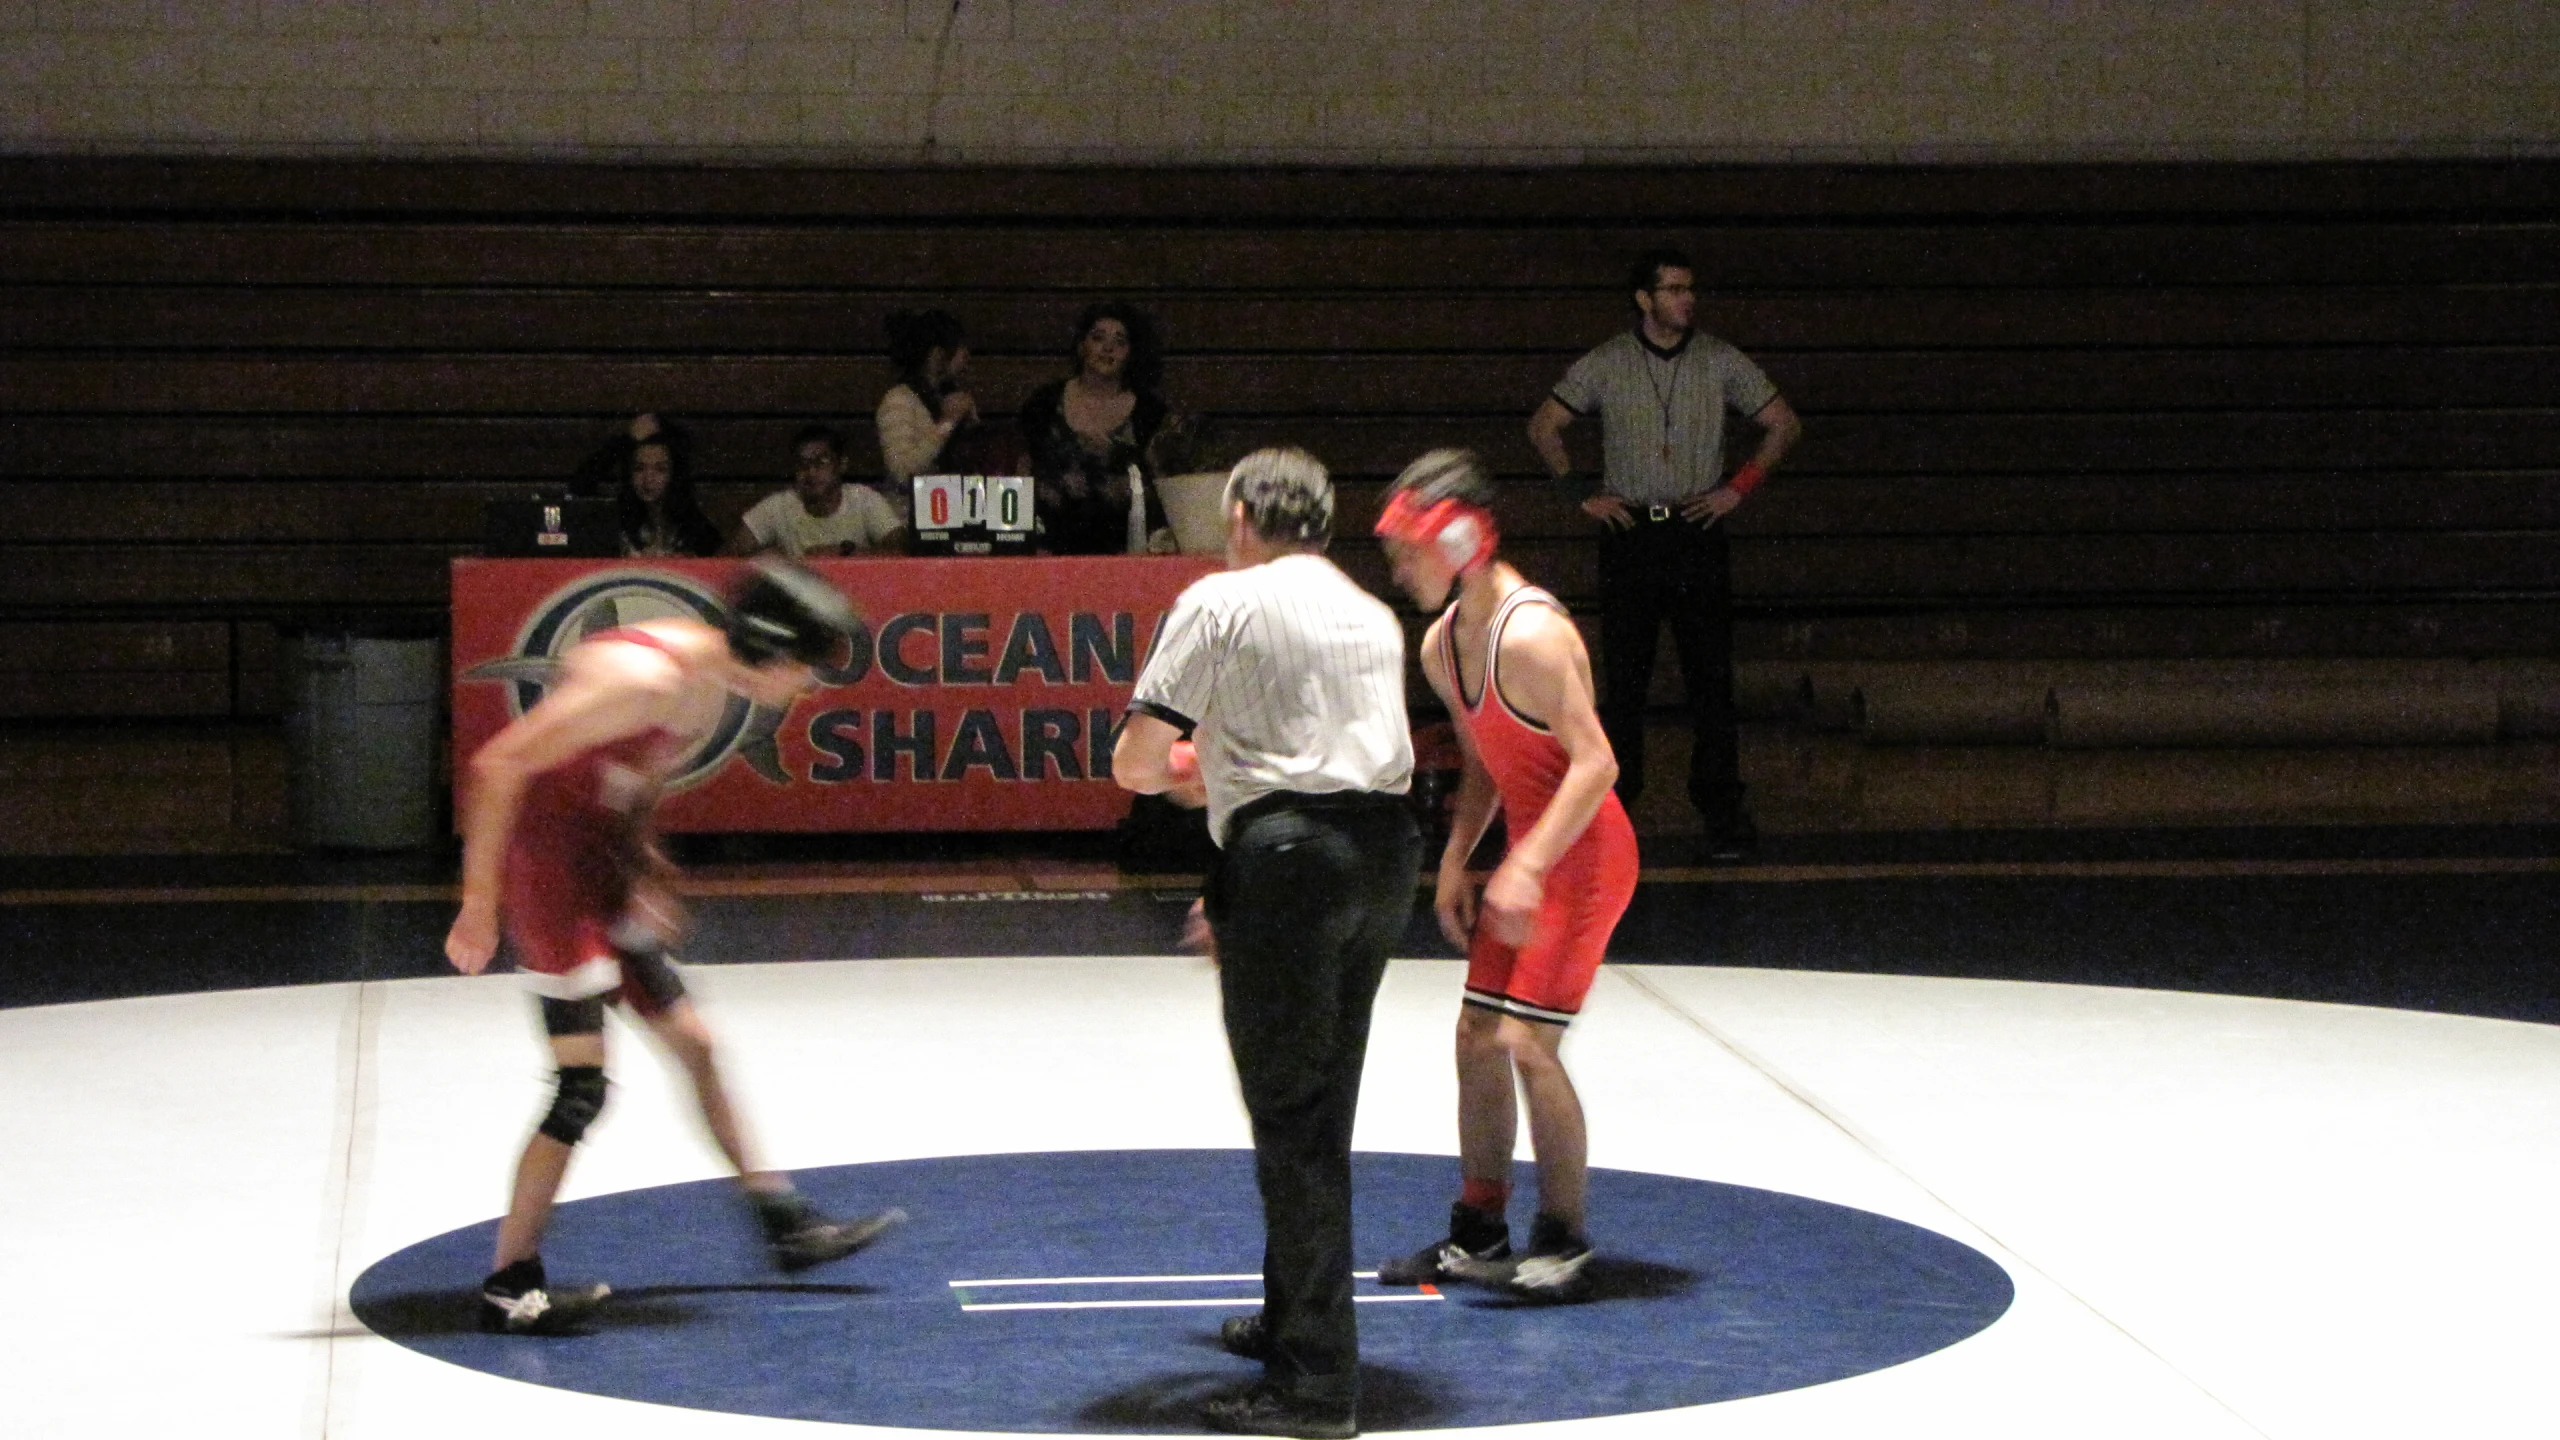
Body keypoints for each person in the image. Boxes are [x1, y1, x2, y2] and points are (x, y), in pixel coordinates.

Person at [442, 560, 903, 1335]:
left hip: (595, 861)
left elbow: (628, 781)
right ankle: (507, 1283)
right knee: (581, 1089)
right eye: (805, 672)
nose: (805, 692)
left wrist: (645, 865)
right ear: (768, 646)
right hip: (550, 871)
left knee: (696, 1043)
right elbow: (499, 766)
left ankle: (783, 1221)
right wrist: (479, 905)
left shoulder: (703, 682)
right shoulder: (645, 681)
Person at [1115, 447, 1418, 1439]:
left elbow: (1134, 759)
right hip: (1382, 854)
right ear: (1325, 525)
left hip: (1286, 859)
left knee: (1290, 1120)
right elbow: (1324, 747)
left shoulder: (1220, 602)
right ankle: (1295, 1316)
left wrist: (1194, 769)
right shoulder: (1370, 612)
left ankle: (1316, 1386)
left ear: (1239, 513)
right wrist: (1235, 769)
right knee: (1325, 1099)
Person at [1368, 449, 1638, 1305]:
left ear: (1460, 537)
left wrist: (1522, 863)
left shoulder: (1532, 633)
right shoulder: (1445, 645)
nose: (1396, 567)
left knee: (1527, 1041)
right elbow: (1487, 760)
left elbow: (1597, 763)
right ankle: (1478, 1230)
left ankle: (1564, 1235)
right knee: (1475, 1038)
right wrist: (1456, 858)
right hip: (1532, 857)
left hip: (1585, 857)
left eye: (1408, 548)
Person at [1527, 247, 1801, 859]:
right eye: (1674, 289)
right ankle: (1615, 811)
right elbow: (1544, 425)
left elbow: (1784, 423)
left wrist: (1737, 489)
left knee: (1712, 679)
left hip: (1696, 531)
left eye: (1690, 289)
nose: (1688, 299)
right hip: (1631, 533)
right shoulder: (1607, 362)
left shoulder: (1720, 359)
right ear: (1644, 300)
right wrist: (1581, 494)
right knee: (1625, 682)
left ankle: (1722, 808)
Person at [1017, 301, 1175, 555]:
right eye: (1098, 338)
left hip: (1127, 549)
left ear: (1131, 353)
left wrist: (1118, 457)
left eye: (1120, 341)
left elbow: (1165, 488)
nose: (1108, 348)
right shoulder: (1044, 403)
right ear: (1081, 347)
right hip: (1050, 547)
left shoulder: (1150, 412)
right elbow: (1021, 472)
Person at [727, 424, 906, 558]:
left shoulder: (864, 500)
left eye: (821, 462)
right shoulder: (778, 506)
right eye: (802, 464)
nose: (811, 472)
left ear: (842, 465)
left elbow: (900, 553)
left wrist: (844, 552)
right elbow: (727, 556)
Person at [876, 307, 980, 514]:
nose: (967, 356)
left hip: (955, 513)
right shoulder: (899, 401)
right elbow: (903, 472)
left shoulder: (950, 396)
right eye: (960, 347)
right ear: (937, 354)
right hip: (910, 520)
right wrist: (947, 423)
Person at [613, 421, 722, 557]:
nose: (648, 479)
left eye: (660, 469)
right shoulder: (618, 524)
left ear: (674, 475)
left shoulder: (696, 529)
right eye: (639, 469)